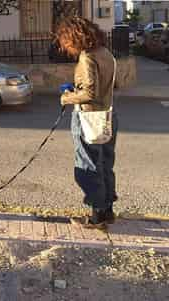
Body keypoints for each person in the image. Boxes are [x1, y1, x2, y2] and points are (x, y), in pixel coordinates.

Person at [55, 17, 118, 228]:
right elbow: (108, 86)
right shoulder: (106, 53)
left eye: (65, 41)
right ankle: (107, 210)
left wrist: (67, 97)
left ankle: (97, 216)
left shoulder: (88, 57)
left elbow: (90, 92)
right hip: (108, 115)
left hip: (88, 117)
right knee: (104, 163)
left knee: (87, 166)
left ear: (74, 37)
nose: (65, 47)